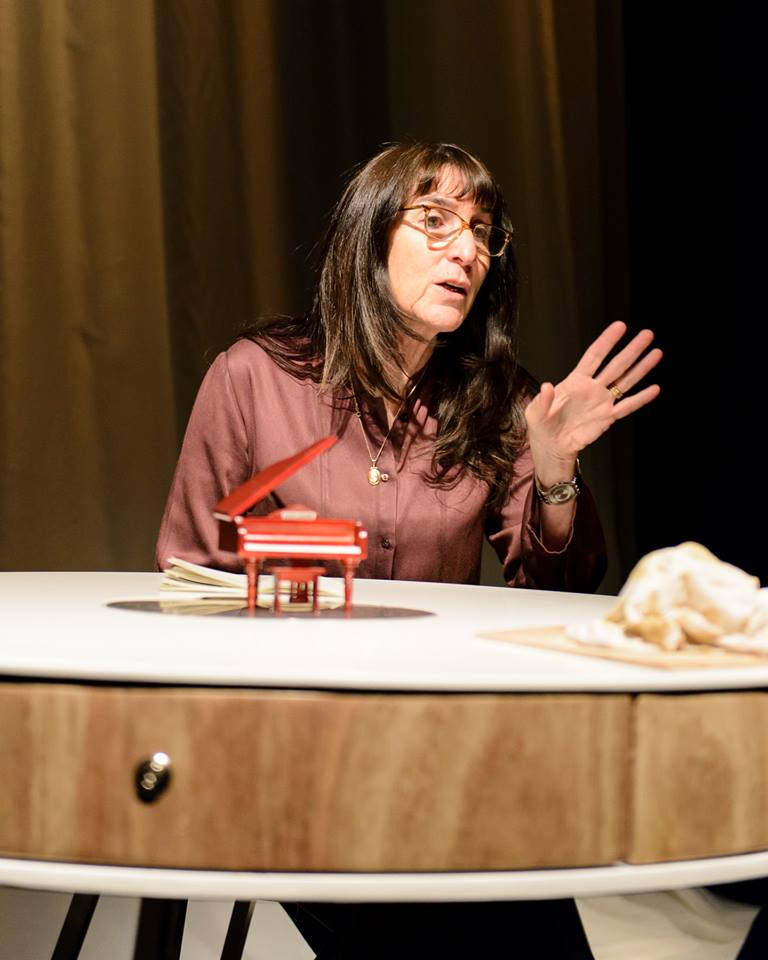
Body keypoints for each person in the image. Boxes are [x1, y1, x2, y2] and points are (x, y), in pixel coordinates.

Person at [156, 141, 661, 958]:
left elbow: (559, 591)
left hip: (440, 748)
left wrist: (556, 475)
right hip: (288, 747)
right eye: (435, 220)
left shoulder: (501, 401)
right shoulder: (255, 379)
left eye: (482, 232)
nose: (466, 250)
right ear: (371, 234)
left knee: (512, 905)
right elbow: (190, 576)